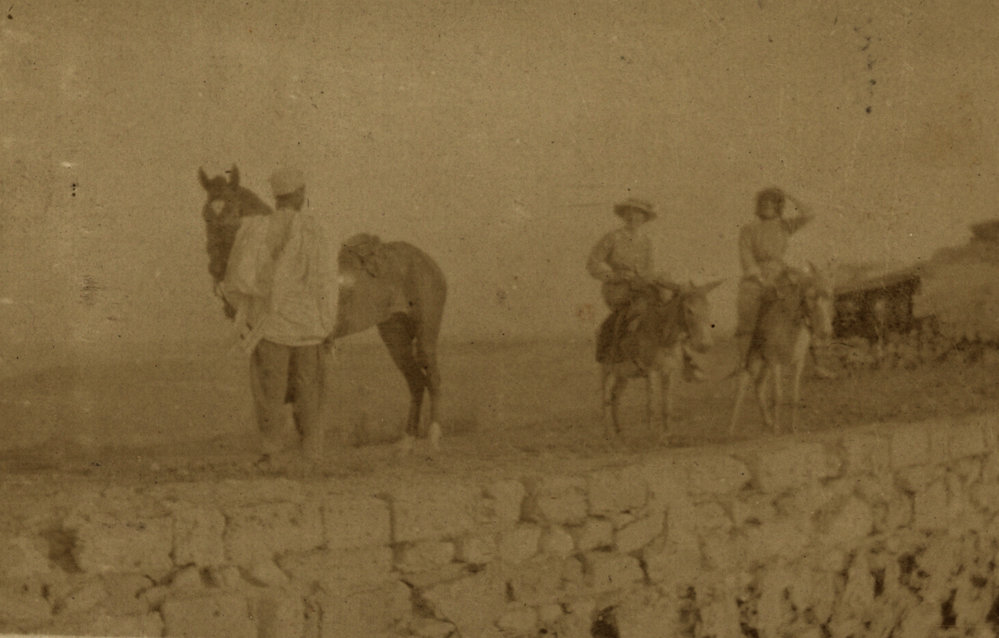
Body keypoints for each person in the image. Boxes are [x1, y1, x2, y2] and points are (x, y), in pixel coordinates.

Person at [222, 168, 338, 471]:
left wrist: (255, 307)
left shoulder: (256, 230)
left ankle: (271, 453)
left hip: (270, 326)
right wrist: (327, 325)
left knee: (268, 391)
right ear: (300, 195)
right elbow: (325, 284)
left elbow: (238, 278)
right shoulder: (315, 231)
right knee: (309, 390)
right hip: (309, 327)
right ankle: (311, 455)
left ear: (277, 197)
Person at [587, 197, 706, 381]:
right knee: (641, 306)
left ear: (644, 218)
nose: (634, 217)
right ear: (624, 215)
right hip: (618, 288)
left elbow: (650, 271)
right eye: (631, 213)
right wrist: (615, 276)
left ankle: (685, 357)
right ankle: (620, 354)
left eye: (639, 214)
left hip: (643, 286)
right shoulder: (612, 238)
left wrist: (672, 285)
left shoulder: (648, 241)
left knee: (674, 306)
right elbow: (593, 264)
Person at [734, 187, 833, 377]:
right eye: (763, 203)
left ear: (778, 206)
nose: (767, 206)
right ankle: (744, 359)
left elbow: (809, 214)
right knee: (747, 303)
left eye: (772, 203)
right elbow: (745, 255)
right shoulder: (749, 229)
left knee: (810, 296)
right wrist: (758, 277)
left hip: (780, 272)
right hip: (758, 275)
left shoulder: (784, 225)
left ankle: (817, 358)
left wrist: (789, 195)